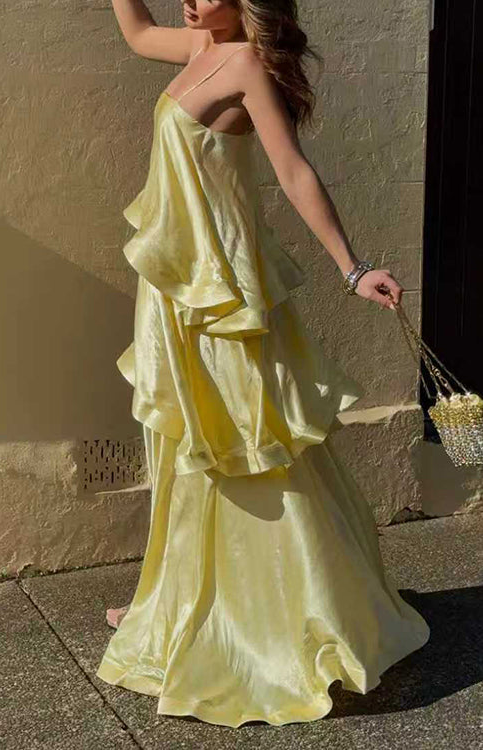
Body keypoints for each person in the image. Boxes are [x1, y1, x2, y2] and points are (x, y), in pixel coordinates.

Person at [96, 0, 430, 728]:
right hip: (178, 289)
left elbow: (293, 170)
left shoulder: (245, 62)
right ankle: (172, 601)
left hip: (224, 298)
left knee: (240, 445)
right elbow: (135, 33)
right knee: (188, 442)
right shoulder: (198, 47)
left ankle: (263, 620)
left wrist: (353, 269)